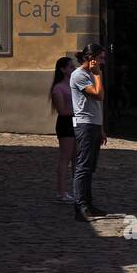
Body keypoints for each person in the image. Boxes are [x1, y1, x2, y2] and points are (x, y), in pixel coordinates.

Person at [70, 43, 109, 220]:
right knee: (83, 167)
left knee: (90, 167)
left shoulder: (91, 74)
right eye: (100, 58)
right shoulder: (79, 75)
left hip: (93, 124)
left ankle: (89, 204)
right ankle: (81, 207)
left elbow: (98, 104)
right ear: (91, 58)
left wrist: (101, 128)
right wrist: (98, 74)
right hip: (84, 124)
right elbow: (98, 95)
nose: (103, 61)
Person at [50, 55, 77, 203]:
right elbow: (62, 110)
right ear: (63, 69)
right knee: (65, 158)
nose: (74, 69)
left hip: (75, 122)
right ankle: (61, 192)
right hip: (66, 123)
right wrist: (79, 112)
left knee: (76, 158)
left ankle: (77, 190)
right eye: (71, 67)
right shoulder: (58, 88)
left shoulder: (73, 85)